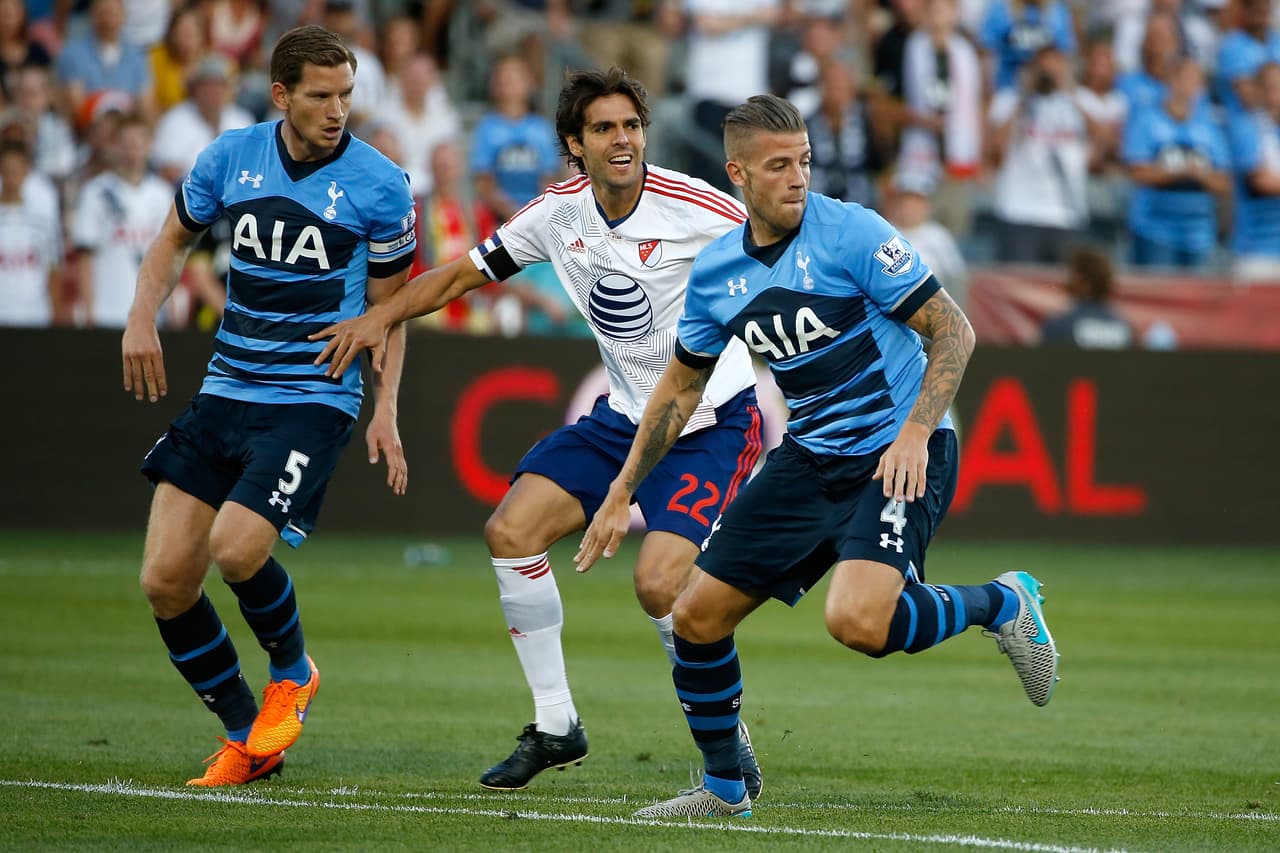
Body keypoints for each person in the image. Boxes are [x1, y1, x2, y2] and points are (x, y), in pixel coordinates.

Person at [574, 94, 1061, 819]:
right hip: (811, 456)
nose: (797, 177)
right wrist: (620, 492)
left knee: (859, 624)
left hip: (902, 449)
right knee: (695, 616)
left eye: (803, 161)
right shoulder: (716, 275)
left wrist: (915, 432)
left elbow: (954, 332)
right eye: (778, 166)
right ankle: (723, 790)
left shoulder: (852, 232)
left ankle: (1002, 601)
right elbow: (679, 389)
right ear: (738, 173)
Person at [309, 66, 764, 796]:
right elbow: (461, 274)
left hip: (710, 419)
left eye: (631, 125)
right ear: (573, 146)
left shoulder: (696, 205)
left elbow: (786, 249)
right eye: (605, 129)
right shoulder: (558, 213)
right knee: (511, 531)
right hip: (622, 417)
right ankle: (556, 722)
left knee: (658, 585)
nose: (623, 140)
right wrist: (380, 317)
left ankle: (726, 733)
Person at [120, 25, 417, 786]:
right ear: (281, 95)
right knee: (164, 581)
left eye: (346, 94)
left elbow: (390, 308)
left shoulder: (382, 185)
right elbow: (170, 239)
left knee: (238, 545)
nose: (337, 110)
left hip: (313, 396)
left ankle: (294, 669)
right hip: (226, 389)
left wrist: (385, 408)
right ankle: (248, 735)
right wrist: (140, 317)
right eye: (321, 96)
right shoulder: (229, 157)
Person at [1039, 245, 1133, 349]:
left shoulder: (1059, 325)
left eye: (1071, 273)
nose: (1066, 280)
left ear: (1081, 279)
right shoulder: (1124, 326)